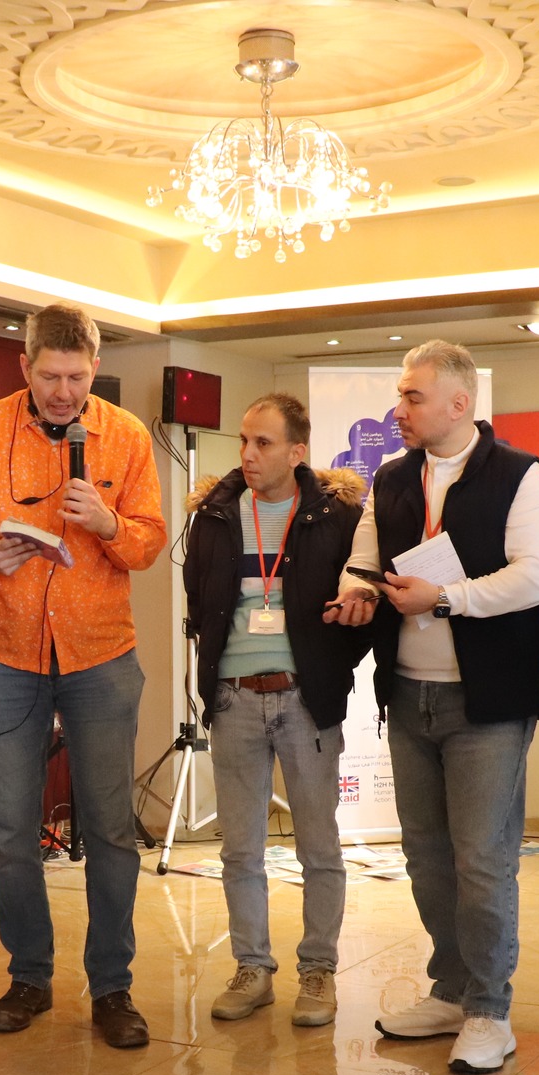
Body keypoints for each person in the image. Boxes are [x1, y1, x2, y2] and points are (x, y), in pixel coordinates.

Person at [325, 341, 539, 1074]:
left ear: (460, 404)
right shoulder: (392, 477)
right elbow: (364, 557)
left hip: (488, 701)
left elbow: (538, 576)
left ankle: (490, 1009)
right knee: (426, 856)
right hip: (408, 694)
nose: (398, 409)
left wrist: (446, 597)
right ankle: (452, 989)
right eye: (400, 394)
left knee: (481, 859)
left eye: (413, 396)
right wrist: (356, 591)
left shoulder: (518, 473)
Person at [0, 303, 166, 1049]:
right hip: (4, 652)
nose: (64, 392)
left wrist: (107, 523)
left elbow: (149, 543)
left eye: (76, 377)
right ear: (24, 368)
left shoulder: (126, 435)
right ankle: (29, 976)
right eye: (49, 377)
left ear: (94, 368)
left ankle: (113, 986)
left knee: (110, 829)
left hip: (101, 654)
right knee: (10, 831)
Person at [182, 393, 368, 1026]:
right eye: (243, 440)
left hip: (306, 701)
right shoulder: (213, 515)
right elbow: (200, 600)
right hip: (234, 699)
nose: (248, 454)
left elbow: (362, 602)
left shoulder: (335, 516)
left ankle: (318, 971)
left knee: (319, 848)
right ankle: (252, 968)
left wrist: (331, 666)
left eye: (263, 443)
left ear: (297, 451)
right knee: (240, 850)